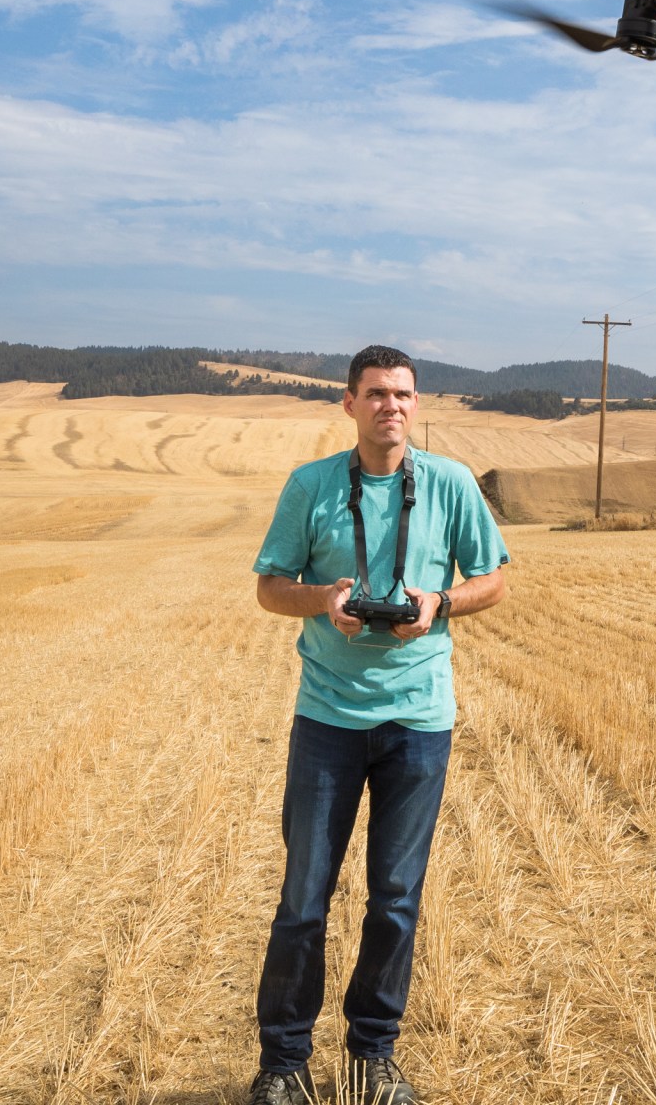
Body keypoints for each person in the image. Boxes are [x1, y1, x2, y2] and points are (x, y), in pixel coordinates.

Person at [248, 344, 510, 1105]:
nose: (389, 405)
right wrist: (323, 600)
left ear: (416, 405)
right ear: (349, 404)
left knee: (395, 897)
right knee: (304, 897)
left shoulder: (453, 485)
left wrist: (442, 604)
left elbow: (492, 578)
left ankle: (374, 1056)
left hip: (420, 721)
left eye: (401, 394)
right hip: (327, 715)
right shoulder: (312, 486)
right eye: (374, 393)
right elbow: (269, 588)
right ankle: (282, 1064)